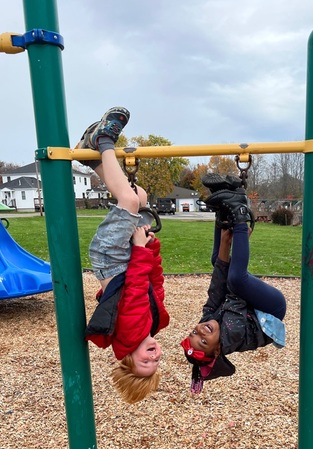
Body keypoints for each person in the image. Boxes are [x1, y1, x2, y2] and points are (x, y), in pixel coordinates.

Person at [75, 107, 170, 403]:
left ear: (129, 358)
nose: (154, 357)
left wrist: (140, 249)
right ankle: (89, 156)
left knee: (129, 199)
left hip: (111, 257)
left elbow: (136, 290)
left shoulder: (131, 335)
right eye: (156, 362)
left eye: (146, 362)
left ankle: (104, 139)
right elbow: (155, 285)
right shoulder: (152, 325)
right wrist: (150, 250)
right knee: (139, 196)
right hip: (128, 258)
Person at [180, 174, 287, 394]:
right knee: (236, 279)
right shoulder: (233, 334)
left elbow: (215, 292)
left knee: (217, 263)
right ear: (218, 350)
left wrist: (224, 245)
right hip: (271, 310)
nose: (201, 330)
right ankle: (238, 214)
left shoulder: (209, 324)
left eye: (194, 332)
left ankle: (223, 211)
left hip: (249, 306)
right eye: (204, 341)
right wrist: (238, 237)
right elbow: (233, 294)